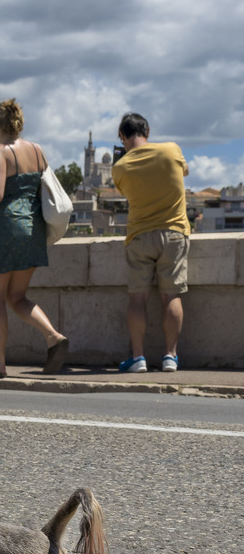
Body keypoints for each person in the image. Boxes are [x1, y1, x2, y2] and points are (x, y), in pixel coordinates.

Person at [0, 99, 69, 377]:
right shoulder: (37, 150)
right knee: (17, 297)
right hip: (33, 230)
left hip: (7, 227)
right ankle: (53, 336)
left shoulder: (0, 151)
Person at [110, 112, 189, 372]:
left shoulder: (120, 168)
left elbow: (126, 191)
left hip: (140, 236)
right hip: (174, 232)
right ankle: (170, 356)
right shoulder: (172, 150)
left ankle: (138, 358)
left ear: (122, 137)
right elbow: (184, 172)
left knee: (137, 299)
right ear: (148, 131)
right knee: (171, 296)